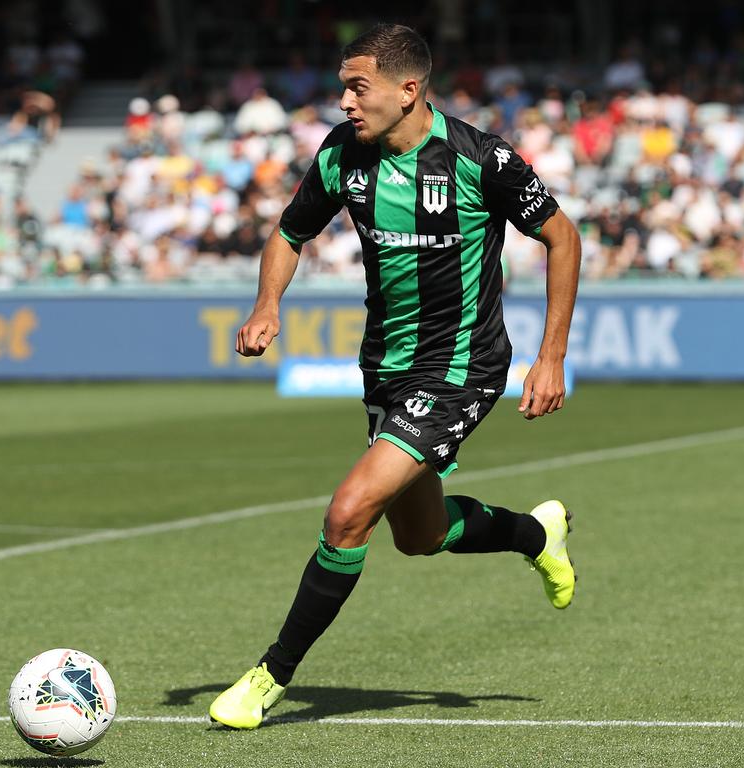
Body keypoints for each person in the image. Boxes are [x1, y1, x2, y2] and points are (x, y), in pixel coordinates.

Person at [209, 24, 581, 729]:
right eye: (343, 87)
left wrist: (551, 353)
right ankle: (537, 536)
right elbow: (291, 232)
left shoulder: (480, 159)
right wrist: (266, 305)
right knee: (420, 534)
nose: (346, 101)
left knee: (349, 512)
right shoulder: (343, 157)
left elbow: (563, 236)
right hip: (386, 367)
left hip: (462, 369)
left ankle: (268, 677)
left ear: (408, 90)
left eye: (359, 87)